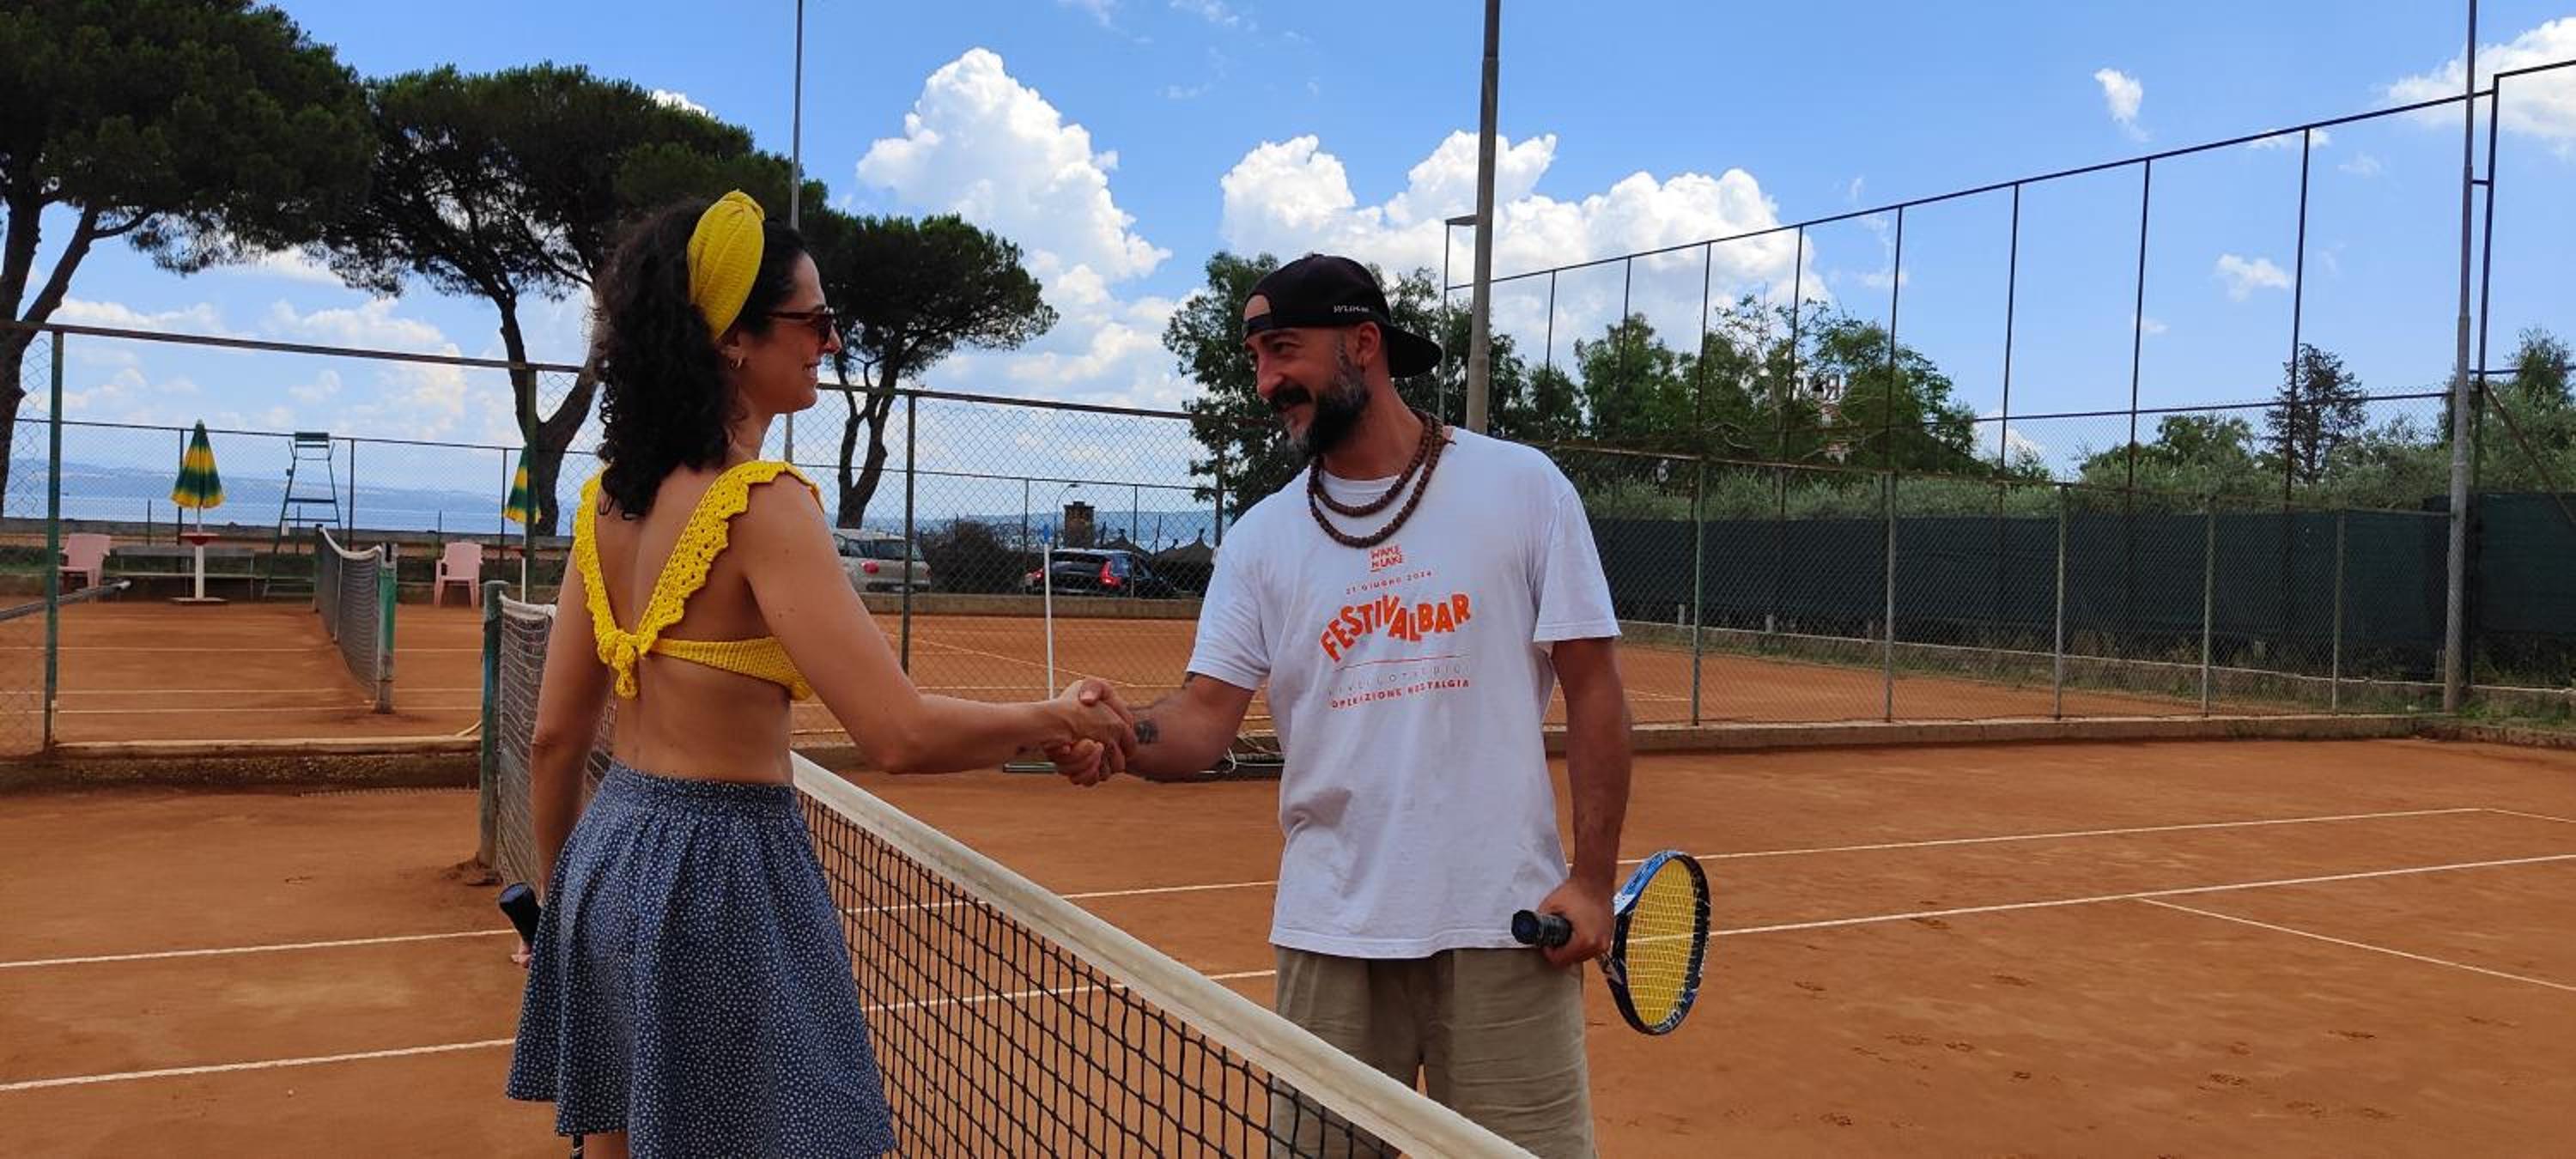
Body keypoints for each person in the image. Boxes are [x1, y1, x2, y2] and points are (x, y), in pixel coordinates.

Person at [505, 190, 1136, 1159]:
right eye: (813, 321)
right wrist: (1057, 718)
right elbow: (898, 733)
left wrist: (559, 915)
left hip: (607, 864)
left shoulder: (604, 503)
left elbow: (554, 742)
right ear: (733, 339)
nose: (832, 343)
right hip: (723, 882)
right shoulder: (764, 503)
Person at [1047, 253, 1634, 1157]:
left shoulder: (1524, 488)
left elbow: (1594, 690)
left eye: (1283, 350)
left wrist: (1593, 881)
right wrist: (1119, 734)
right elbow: (1204, 717)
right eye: (1256, 359)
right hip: (1330, 937)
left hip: (1506, 928)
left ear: (1364, 344)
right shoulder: (1262, 539)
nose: (1266, 382)